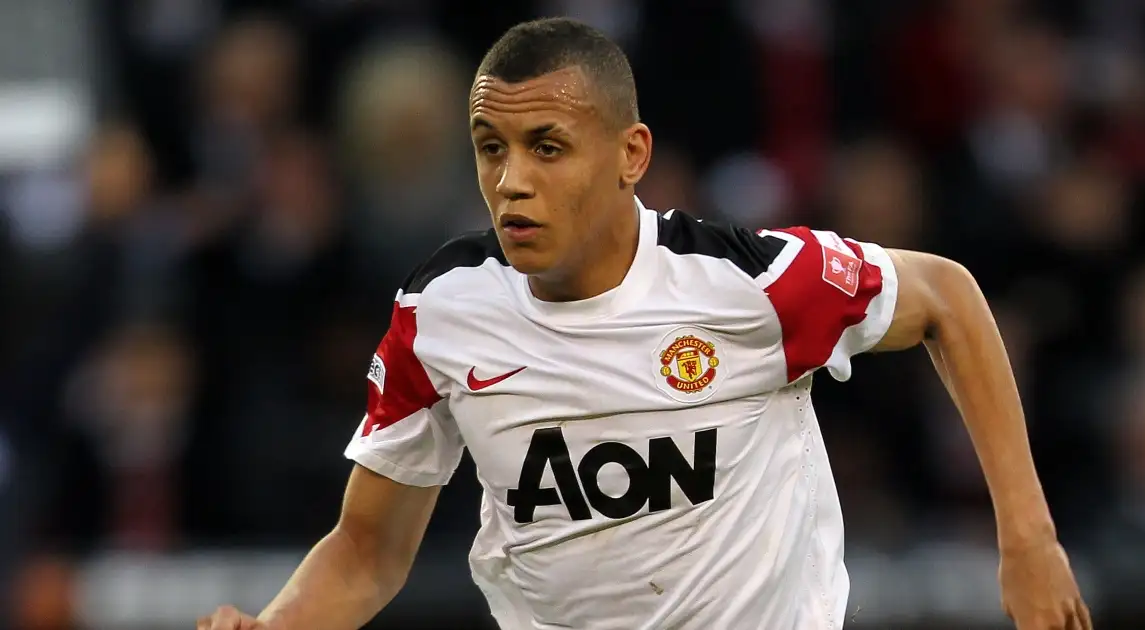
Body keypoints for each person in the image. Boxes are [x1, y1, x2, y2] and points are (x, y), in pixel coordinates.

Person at [198, 17, 1091, 630]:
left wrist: (1028, 540)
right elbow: (367, 551)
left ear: (631, 156)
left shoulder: (745, 285)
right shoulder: (443, 313)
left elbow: (945, 295)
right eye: (490, 148)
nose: (511, 180)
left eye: (547, 147)